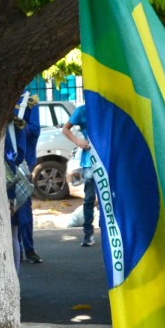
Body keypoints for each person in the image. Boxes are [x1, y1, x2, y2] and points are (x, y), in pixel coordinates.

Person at [62, 105, 96, 247]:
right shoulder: (83, 110)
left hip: (107, 161)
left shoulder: (106, 106)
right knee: (89, 198)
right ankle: (88, 233)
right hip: (90, 162)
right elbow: (65, 129)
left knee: (109, 198)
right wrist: (79, 142)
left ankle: (106, 231)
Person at [14, 95, 42, 262]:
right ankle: (16, 247)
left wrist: (18, 125)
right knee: (11, 206)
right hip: (6, 158)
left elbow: (35, 129)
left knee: (23, 205)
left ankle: (29, 249)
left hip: (24, 159)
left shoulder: (30, 99)